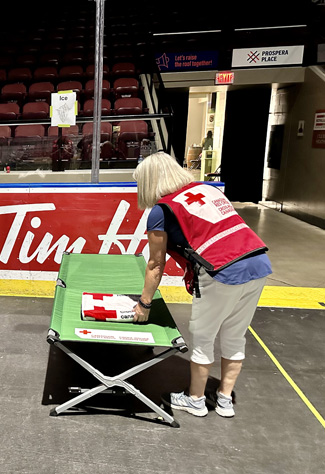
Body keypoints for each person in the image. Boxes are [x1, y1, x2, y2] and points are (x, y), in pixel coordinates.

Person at [132, 152, 272, 418]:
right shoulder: (207, 190)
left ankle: (195, 400)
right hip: (258, 262)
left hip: (222, 271)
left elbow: (155, 264)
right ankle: (224, 399)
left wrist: (144, 303)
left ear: (149, 182)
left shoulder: (161, 210)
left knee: (204, 336)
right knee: (234, 334)